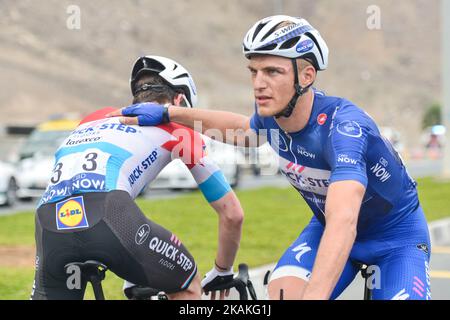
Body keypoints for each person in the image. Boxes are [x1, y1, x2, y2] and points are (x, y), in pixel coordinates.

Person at [109, 15, 432, 300]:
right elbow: (242, 131)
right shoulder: (272, 118)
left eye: (272, 71)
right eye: (254, 71)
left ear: (306, 76)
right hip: (324, 228)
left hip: (395, 238)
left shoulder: (345, 129)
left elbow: (344, 221)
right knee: (280, 294)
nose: (259, 84)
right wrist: (168, 113)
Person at [31, 55, 244, 300]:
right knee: (187, 285)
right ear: (179, 100)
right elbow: (232, 214)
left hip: (48, 222)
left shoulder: (95, 118)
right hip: (109, 214)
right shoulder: (181, 127)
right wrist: (223, 270)